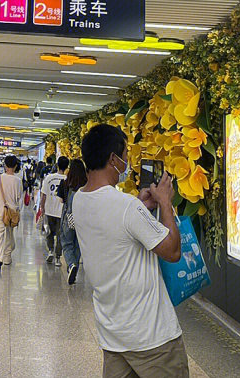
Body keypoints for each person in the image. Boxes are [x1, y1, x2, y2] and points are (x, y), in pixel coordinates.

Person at [71, 124, 187, 378]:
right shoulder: (125, 206)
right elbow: (172, 251)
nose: (127, 162)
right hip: (152, 338)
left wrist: (140, 206)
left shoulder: (79, 199)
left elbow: (116, 229)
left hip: (113, 335)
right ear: (113, 159)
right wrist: (165, 202)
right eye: (125, 155)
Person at [0, 154, 23, 270]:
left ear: (5, 165)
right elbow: (19, 198)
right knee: (9, 234)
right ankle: (7, 256)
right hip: (11, 212)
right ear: (16, 166)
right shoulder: (18, 181)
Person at [60, 159, 88, 285]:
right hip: (82, 220)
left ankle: (71, 265)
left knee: (66, 244)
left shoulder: (65, 183)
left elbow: (61, 201)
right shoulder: (87, 186)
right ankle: (74, 266)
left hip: (68, 219)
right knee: (77, 245)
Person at [39, 156, 69, 266]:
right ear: (67, 166)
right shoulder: (67, 179)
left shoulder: (49, 178)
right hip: (61, 212)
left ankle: (50, 251)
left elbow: (44, 195)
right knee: (60, 235)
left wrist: (42, 208)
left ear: (57, 165)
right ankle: (57, 257)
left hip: (49, 210)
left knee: (49, 233)